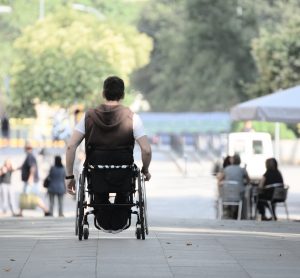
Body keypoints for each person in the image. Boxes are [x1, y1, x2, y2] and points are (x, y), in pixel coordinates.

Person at [65, 76, 152, 228]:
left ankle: (102, 211)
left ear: (103, 93)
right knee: (124, 192)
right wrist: (145, 170)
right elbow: (146, 150)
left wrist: (69, 176)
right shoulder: (132, 118)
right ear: (123, 94)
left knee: (99, 192)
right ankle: (120, 213)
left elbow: (71, 146)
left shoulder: (89, 116)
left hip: (96, 174)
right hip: (123, 175)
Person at [17, 141, 50, 216]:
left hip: (31, 181)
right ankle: (20, 212)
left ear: (25, 148)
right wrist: (16, 168)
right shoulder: (30, 156)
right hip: (31, 181)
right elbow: (24, 167)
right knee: (27, 196)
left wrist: (30, 178)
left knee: (31, 197)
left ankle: (46, 210)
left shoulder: (30, 156)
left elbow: (32, 167)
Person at [217, 154, 250, 219]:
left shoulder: (226, 169)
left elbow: (219, 179)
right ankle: (242, 215)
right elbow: (248, 180)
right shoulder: (242, 170)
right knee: (245, 196)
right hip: (238, 194)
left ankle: (228, 212)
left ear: (232, 161)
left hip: (227, 193)